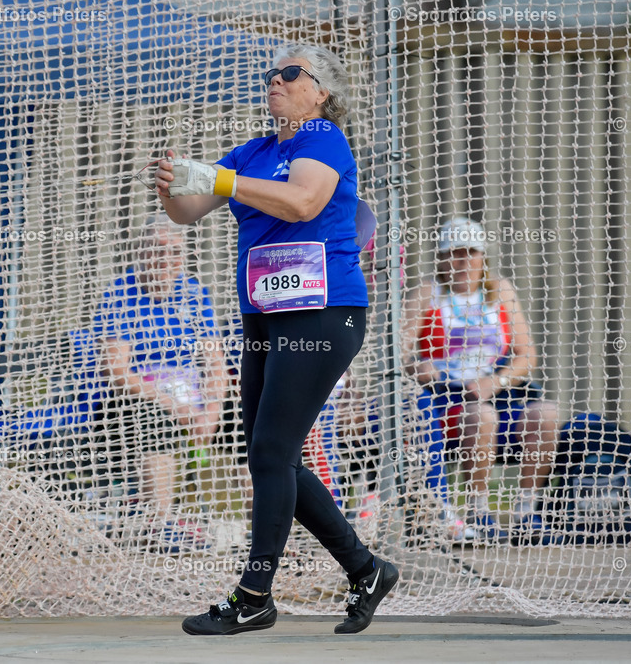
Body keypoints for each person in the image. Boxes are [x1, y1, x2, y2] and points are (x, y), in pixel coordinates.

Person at [154, 43, 398, 636]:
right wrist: (169, 182)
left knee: (269, 452)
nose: (277, 80)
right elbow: (188, 211)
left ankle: (255, 594)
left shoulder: (323, 140)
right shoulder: (255, 152)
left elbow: (304, 201)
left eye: (292, 73)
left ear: (322, 94)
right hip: (267, 316)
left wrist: (224, 178)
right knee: (273, 454)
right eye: (272, 73)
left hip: (324, 313)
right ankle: (365, 569)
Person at [401, 217, 559, 542]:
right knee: (481, 416)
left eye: (470, 252)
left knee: (546, 414)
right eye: (454, 253)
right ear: (442, 258)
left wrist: (496, 381)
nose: (462, 261)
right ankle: (478, 510)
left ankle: (527, 510)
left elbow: (527, 356)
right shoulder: (427, 294)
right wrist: (421, 367)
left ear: (482, 256)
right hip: (445, 396)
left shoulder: (499, 291)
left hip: (492, 391)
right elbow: (400, 357)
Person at [93, 214, 228, 522]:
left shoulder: (194, 293)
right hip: (140, 397)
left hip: (193, 397)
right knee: (156, 420)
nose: (166, 260)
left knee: (253, 420)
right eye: (158, 249)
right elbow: (116, 371)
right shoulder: (121, 294)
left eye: (175, 252)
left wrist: (212, 410)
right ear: (141, 254)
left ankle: (266, 532)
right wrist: (172, 405)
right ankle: (162, 525)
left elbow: (214, 361)